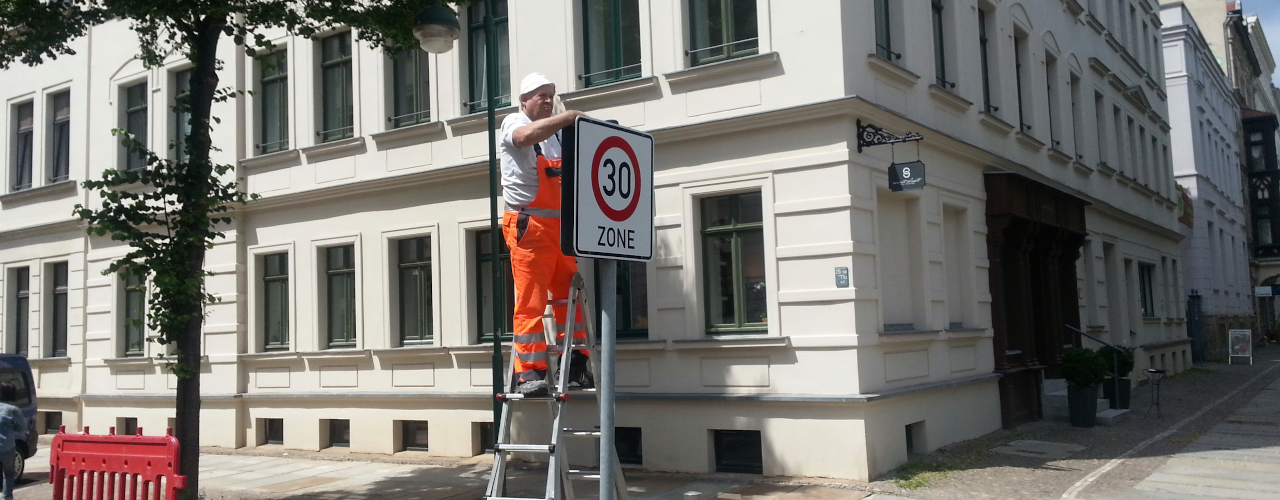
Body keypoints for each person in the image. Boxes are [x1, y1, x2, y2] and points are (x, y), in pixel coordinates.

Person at [500, 73, 593, 396]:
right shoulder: (514, 122)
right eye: (540, 95)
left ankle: (576, 364)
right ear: (524, 100)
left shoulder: (555, 135)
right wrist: (568, 118)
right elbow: (524, 138)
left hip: (561, 229)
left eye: (551, 94)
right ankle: (529, 373)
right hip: (531, 226)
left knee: (571, 298)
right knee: (531, 301)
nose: (548, 100)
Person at [0, 381, 24, 500]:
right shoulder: (13, 410)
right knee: (8, 473)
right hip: (7, 446)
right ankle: (6, 497)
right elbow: (22, 428)